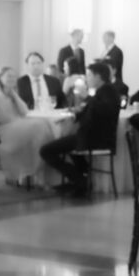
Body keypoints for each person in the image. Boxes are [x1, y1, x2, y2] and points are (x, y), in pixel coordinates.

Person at [39, 61, 120, 197]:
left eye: (89, 75)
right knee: (67, 145)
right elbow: (92, 110)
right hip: (91, 136)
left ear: (98, 76)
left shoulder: (108, 91)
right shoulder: (103, 91)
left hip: (97, 138)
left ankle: (79, 180)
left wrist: (86, 98)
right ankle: (79, 180)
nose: (86, 79)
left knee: (46, 151)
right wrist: (77, 112)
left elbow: (103, 111)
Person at [0, 66, 55, 182]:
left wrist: (13, 95)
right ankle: (32, 170)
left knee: (44, 124)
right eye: (8, 76)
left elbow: (24, 111)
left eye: (13, 76)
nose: (11, 79)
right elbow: (4, 117)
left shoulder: (11, 93)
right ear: (0, 78)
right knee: (39, 126)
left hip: (15, 125)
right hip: (4, 130)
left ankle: (37, 170)